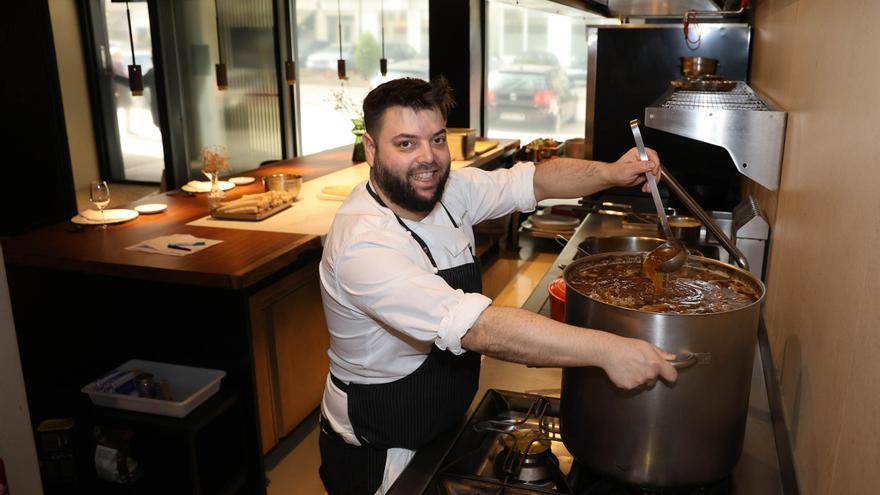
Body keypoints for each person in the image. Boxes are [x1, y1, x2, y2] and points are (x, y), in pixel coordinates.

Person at [317, 76, 678, 495]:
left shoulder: (448, 191)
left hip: (441, 418)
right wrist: (608, 349)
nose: (428, 158)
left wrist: (613, 173)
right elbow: (477, 327)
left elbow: (535, 181)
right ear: (371, 150)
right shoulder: (362, 244)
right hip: (381, 450)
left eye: (436, 140)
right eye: (405, 144)